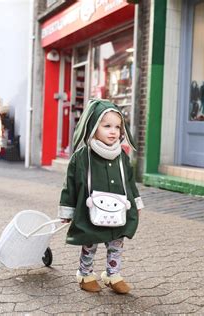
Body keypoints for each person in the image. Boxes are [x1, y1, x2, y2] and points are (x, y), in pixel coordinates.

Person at [59, 99, 144, 294]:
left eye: (117, 127)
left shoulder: (121, 156)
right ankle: (85, 273)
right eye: (106, 126)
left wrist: (136, 203)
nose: (113, 131)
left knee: (117, 241)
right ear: (93, 126)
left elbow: (129, 182)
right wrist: (67, 210)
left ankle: (112, 274)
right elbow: (70, 185)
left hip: (118, 209)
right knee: (90, 240)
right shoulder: (82, 157)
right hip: (91, 209)